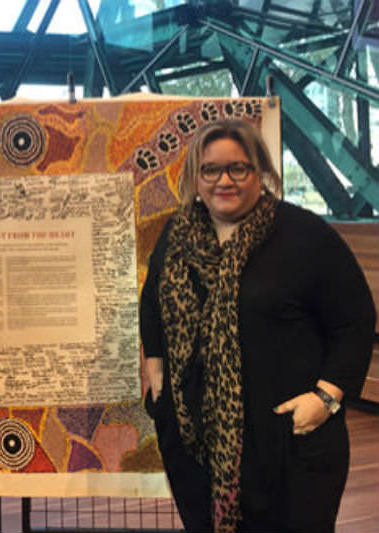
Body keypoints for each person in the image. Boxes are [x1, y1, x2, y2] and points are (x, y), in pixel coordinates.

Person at [139, 119, 375, 532]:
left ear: (261, 172)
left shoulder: (305, 235)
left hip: (290, 445)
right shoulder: (176, 236)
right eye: (210, 169)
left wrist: (327, 398)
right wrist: (157, 373)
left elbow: (353, 322)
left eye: (238, 168)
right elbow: (152, 304)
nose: (223, 181)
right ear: (195, 176)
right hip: (197, 448)